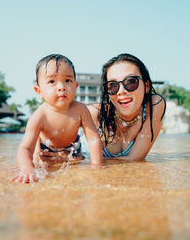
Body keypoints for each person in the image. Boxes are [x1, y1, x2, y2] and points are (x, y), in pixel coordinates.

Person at [11, 54, 103, 184]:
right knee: (40, 167)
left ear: (76, 87)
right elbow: (25, 149)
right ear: (39, 91)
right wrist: (26, 167)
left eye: (67, 80)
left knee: (77, 165)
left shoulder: (80, 110)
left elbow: (93, 140)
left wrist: (96, 166)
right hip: (46, 150)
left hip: (73, 149)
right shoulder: (39, 116)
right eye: (52, 81)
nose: (61, 86)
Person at [88, 53, 166, 160]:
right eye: (113, 85)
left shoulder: (154, 105)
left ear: (146, 86)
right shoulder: (95, 114)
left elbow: (134, 159)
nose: (121, 91)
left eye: (130, 82)